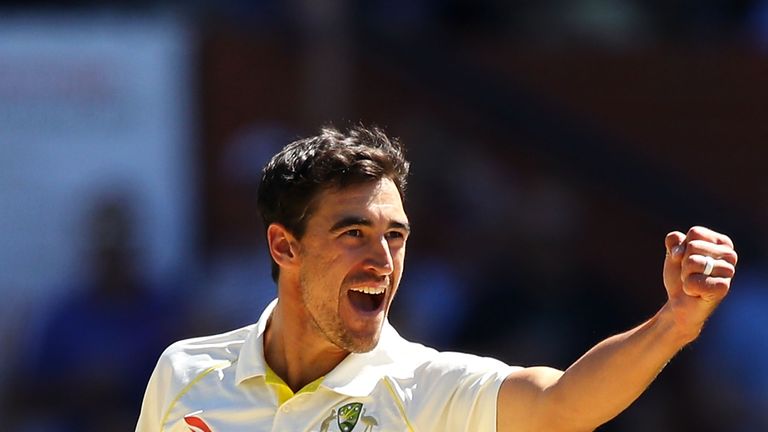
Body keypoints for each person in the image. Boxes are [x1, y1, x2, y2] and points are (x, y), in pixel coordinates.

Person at [136, 125, 737, 431]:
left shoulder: (430, 389)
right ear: (283, 246)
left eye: (394, 235)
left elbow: (562, 404)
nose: (383, 259)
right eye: (354, 234)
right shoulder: (184, 373)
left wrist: (674, 324)